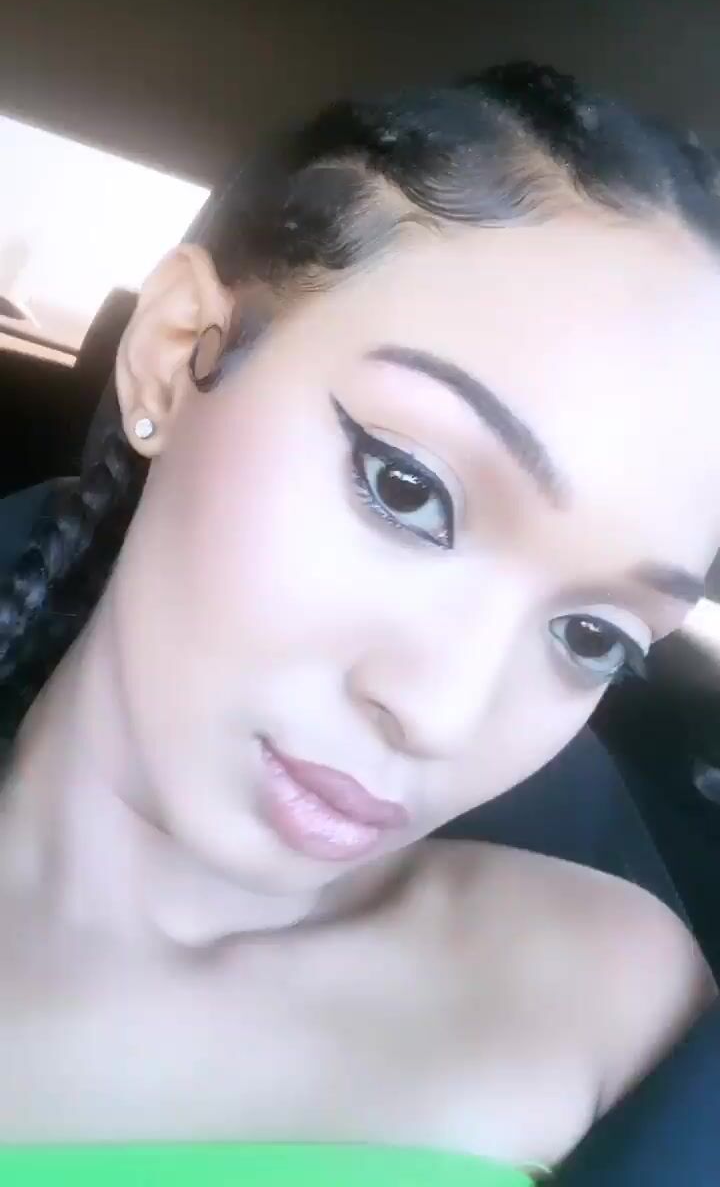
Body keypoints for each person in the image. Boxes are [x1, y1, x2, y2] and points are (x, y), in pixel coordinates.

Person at [0, 61, 718, 1181]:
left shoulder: (609, 1009)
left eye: (592, 636)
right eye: (406, 489)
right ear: (176, 357)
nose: (439, 712)